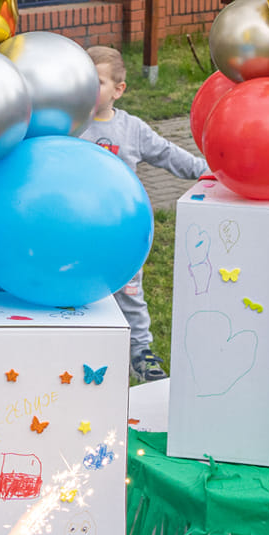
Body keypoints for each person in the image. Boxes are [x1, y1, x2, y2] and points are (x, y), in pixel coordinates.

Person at [83, 45, 208, 381]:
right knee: (81, 288)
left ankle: (141, 351)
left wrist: (204, 170)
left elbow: (167, 154)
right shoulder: (67, 126)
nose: (86, 88)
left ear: (119, 90)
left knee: (130, 291)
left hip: (124, 229)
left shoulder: (132, 129)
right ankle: (84, 346)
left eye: (96, 82)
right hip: (79, 230)